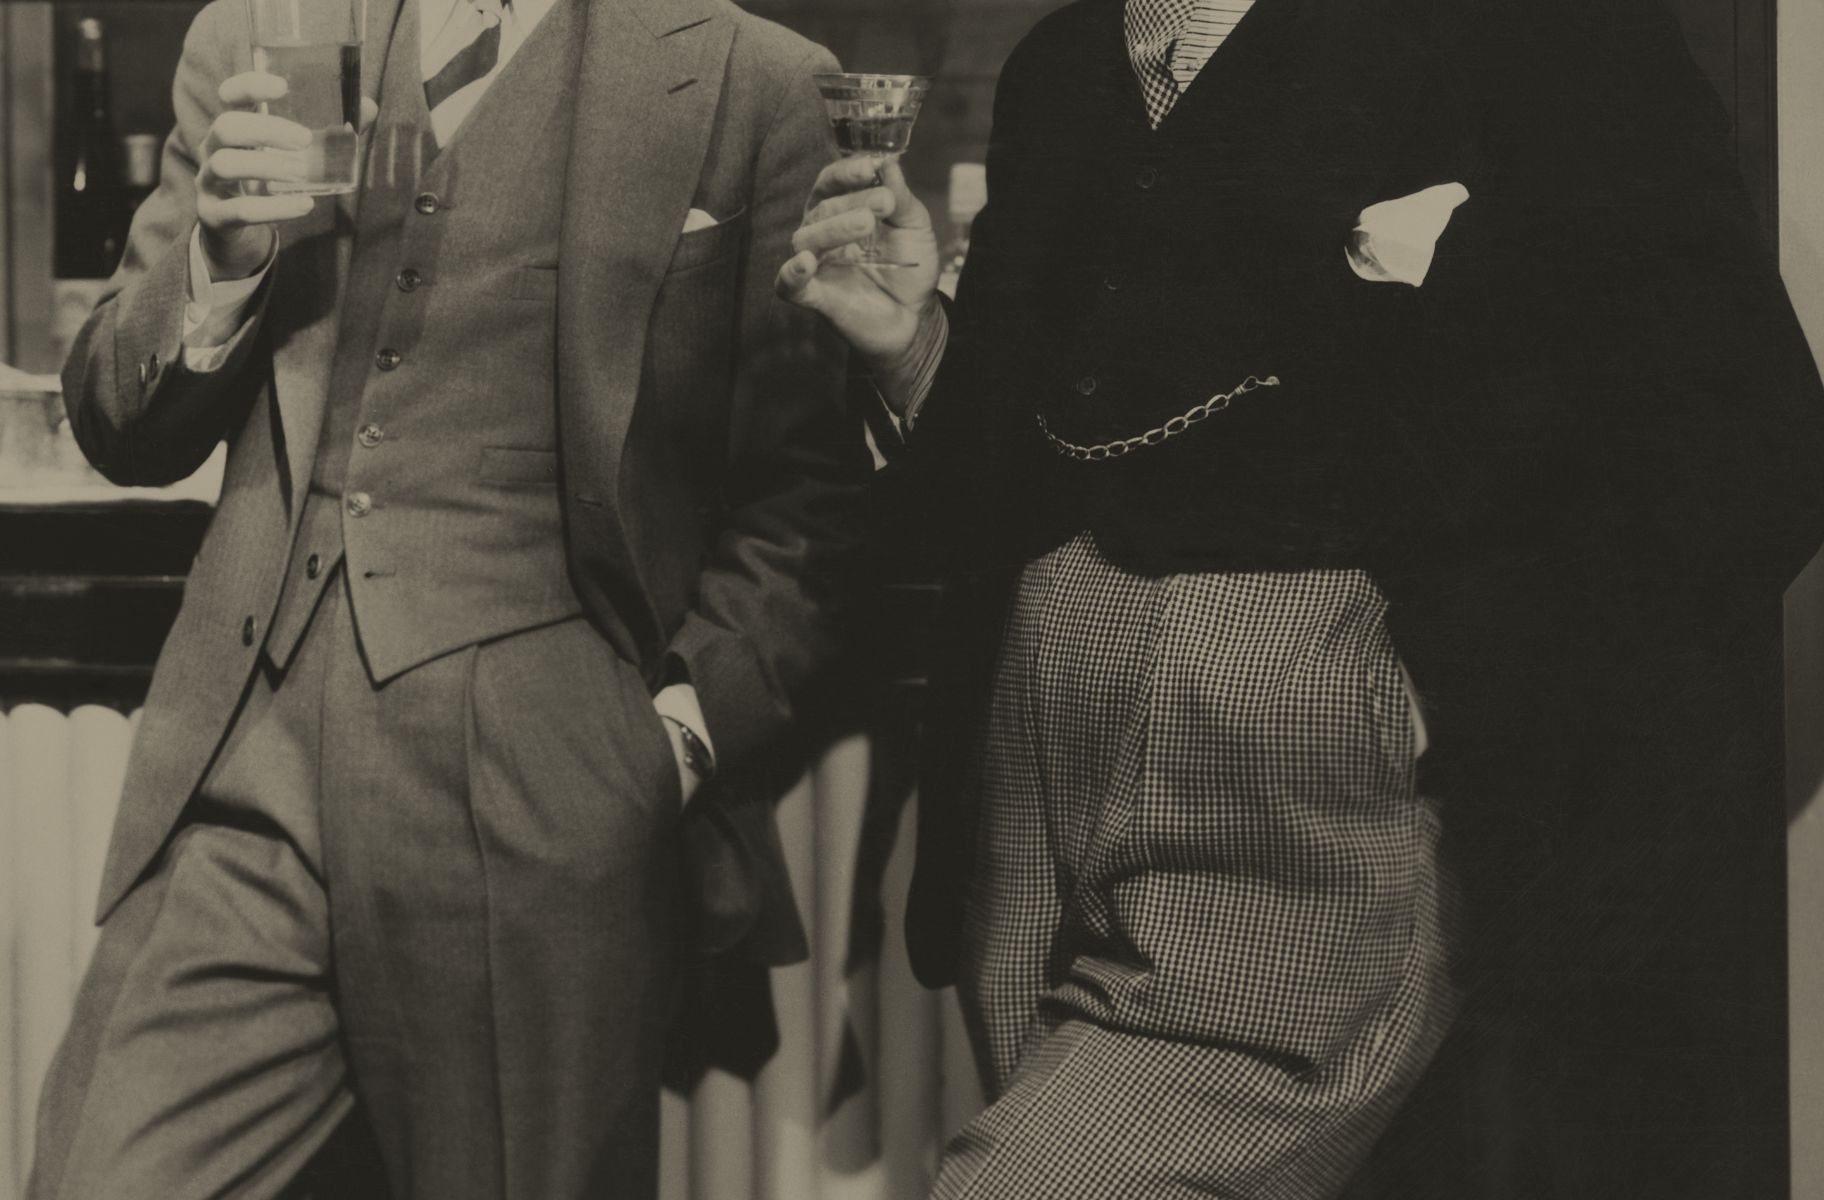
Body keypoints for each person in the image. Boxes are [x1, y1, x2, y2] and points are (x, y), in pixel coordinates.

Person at [780, 0, 1824, 1195]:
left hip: (1304, 800)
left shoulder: (1540, 33)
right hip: (1034, 802)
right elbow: (1034, 456)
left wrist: (1459, 703)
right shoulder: (1064, 64)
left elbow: (1752, 453)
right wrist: (911, 344)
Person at [33, 0, 866, 1195]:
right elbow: (120, 419)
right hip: (245, 757)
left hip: (544, 786)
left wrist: (671, 745)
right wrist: (220, 267)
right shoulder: (260, 34)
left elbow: (807, 504)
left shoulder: (758, 81)